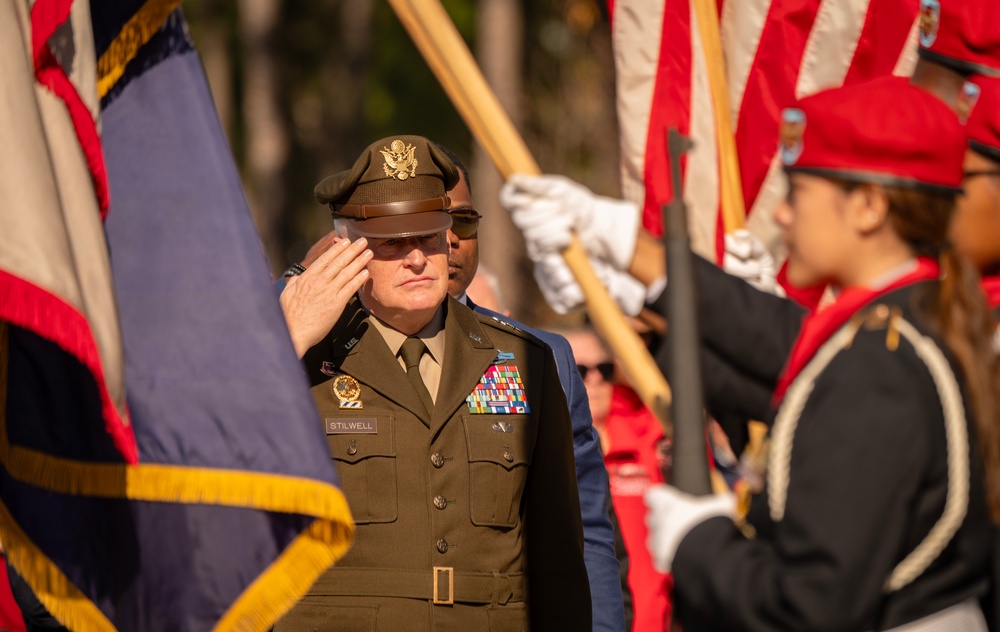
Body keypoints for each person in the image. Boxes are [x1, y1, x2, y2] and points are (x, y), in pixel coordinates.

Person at [511, 76, 1000, 629]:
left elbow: (811, 607)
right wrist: (627, 279)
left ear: (867, 207)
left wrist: (703, 542)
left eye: (799, 193)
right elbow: (777, 364)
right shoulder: (898, 329)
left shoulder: (879, 361)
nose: (784, 215)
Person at [275, 135, 591, 630]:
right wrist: (281, 344)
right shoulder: (298, 357)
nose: (417, 258)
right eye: (392, 243)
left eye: (427, 236)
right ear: (349, 251)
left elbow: (559, 566)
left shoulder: (523, 361)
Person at [438, 144, 627, 632]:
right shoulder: (331, 354)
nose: (450, 241)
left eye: (463, 222)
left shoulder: (540, 360)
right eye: (427, 225)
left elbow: (583, 533)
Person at [563, 326, 672, 632]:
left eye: (605, 369)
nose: (595, 379)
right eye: (580, 370)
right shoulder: (545, 449)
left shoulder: (651, 434)